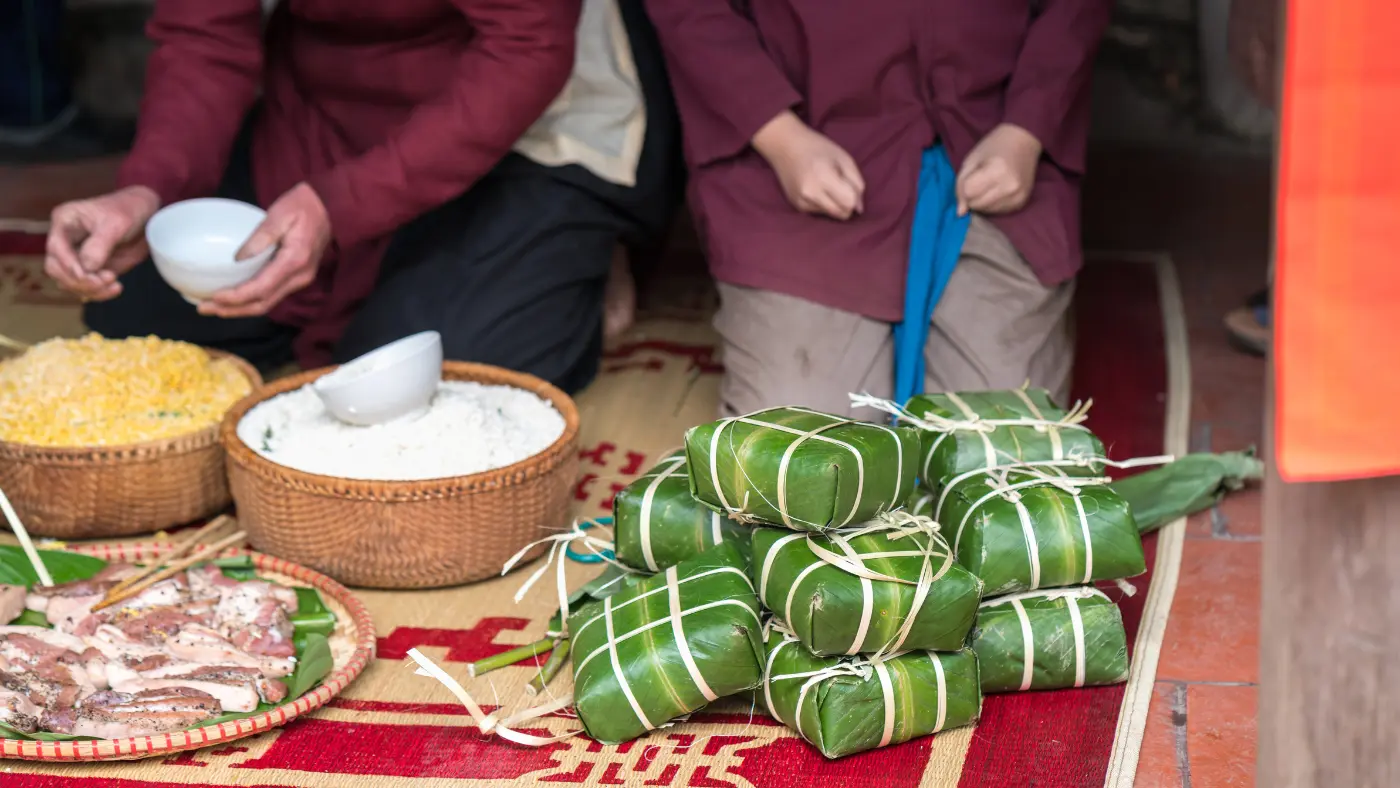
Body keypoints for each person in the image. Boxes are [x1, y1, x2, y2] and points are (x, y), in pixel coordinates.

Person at [42, 0, 680, 392]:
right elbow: (204, 36)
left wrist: (341, 203)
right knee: (138, 325)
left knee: (425, 376)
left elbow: (527, 45)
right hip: (332, 94)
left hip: (528, 106)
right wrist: (150, 187)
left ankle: (585, 253)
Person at [645, 0, 1112, 416]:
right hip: (805, 151)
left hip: (987, 148)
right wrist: (781, 138)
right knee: (807, 455)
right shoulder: (788, 146)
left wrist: (1027, 129)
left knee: (1002, 456)